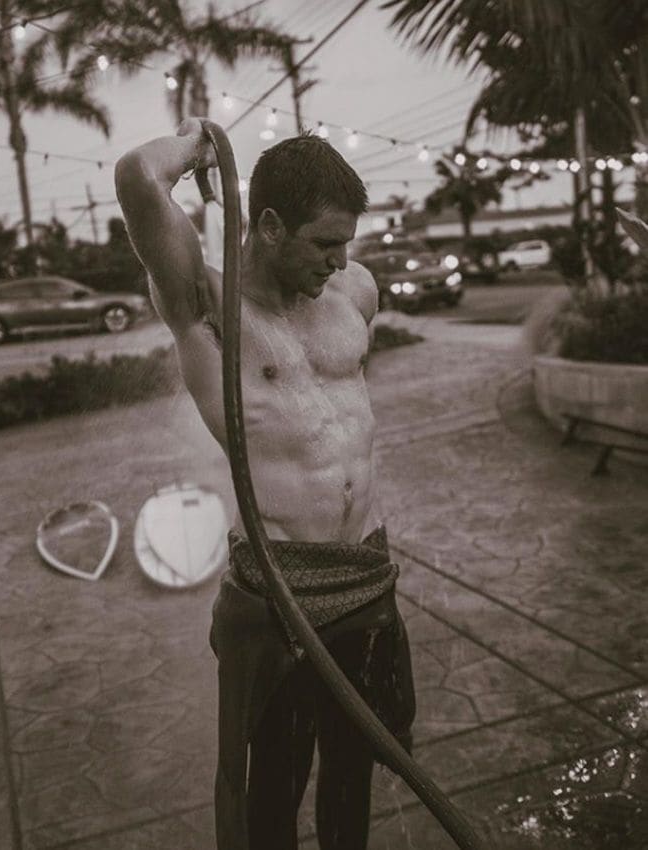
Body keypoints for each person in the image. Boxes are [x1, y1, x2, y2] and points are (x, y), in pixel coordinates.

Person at [115, 118, 416, 850]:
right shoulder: (206, 310)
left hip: (366, 575)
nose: (339, 260)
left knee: (358, 770)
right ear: (270, 226)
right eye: (323, 244)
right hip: (280, 597)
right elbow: (135, 177)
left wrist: (337, 261)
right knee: (273, 793)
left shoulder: (354, 292)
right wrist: (199, 142)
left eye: (345, 242)